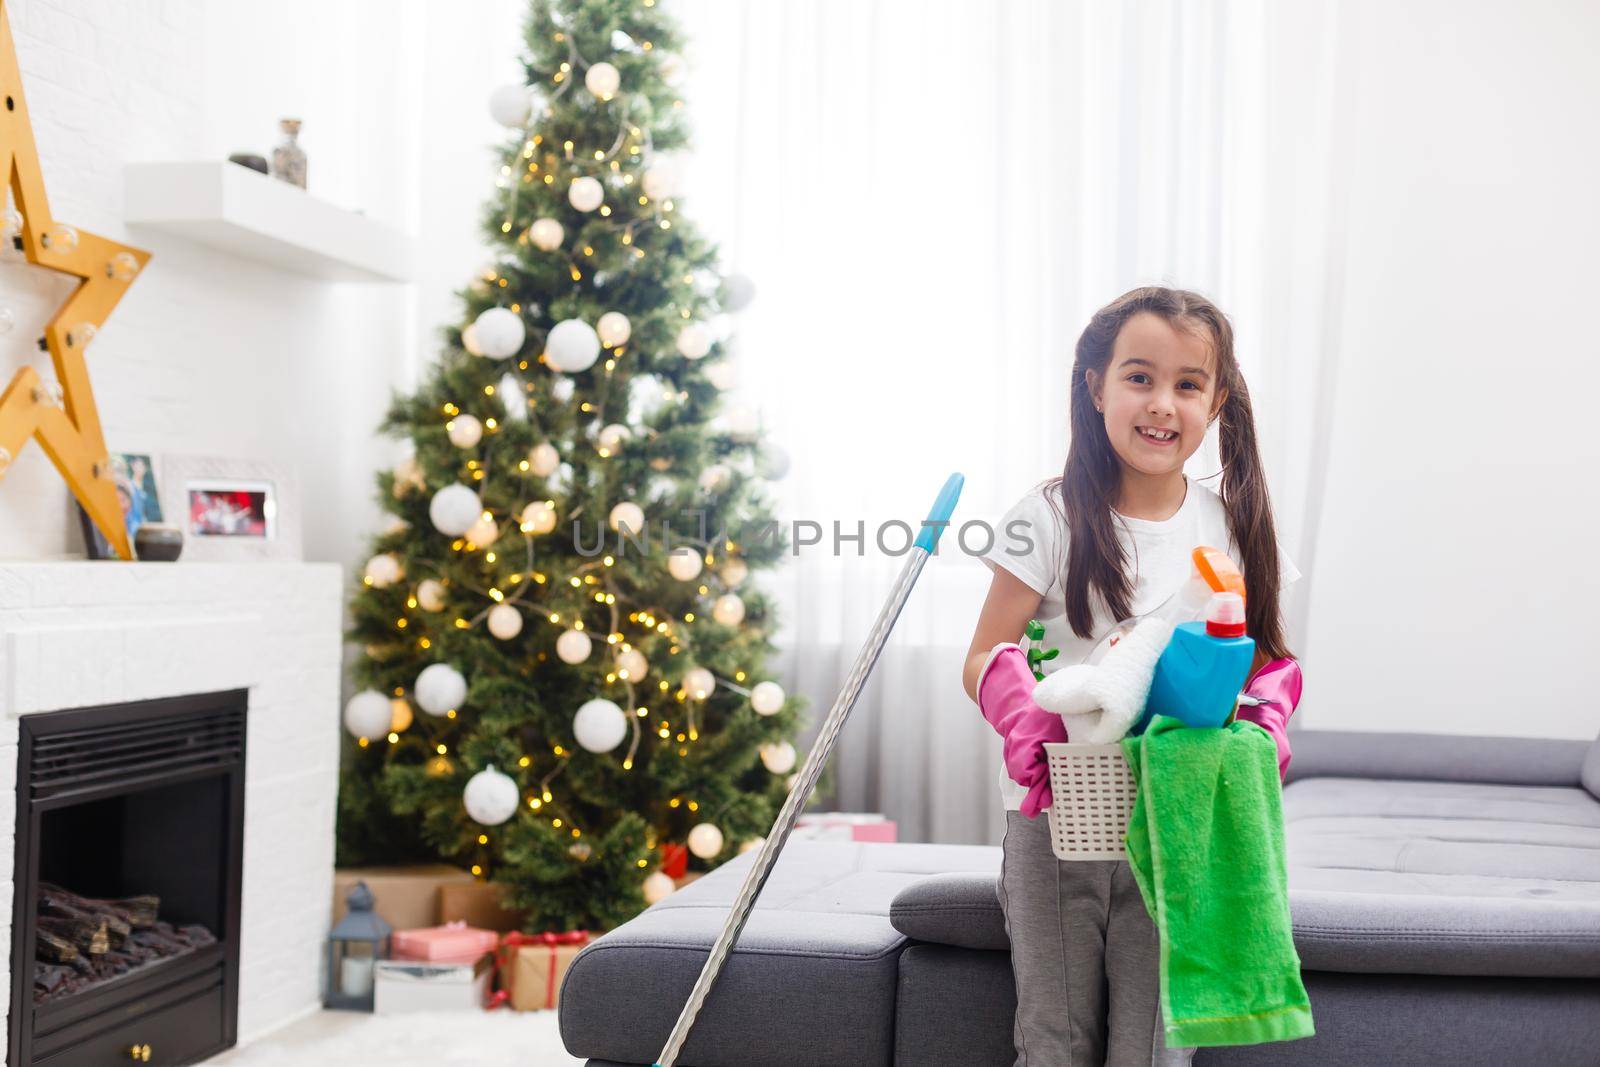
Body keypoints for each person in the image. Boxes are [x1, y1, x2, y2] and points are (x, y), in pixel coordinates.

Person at [962, 286, 1302, 1066]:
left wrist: (1264, 715)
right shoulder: (1047, 516)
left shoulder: (1233, 525)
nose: (1162, 404)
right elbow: (983, 653)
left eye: (1188, 384)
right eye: (1139, 376)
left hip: (1176, 820)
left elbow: (1258, 657)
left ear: (1217, 399)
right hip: (1056, 820)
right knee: (1053, 1043)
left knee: (1155, 1050)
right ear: (1096, 385)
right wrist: (1022, 713)